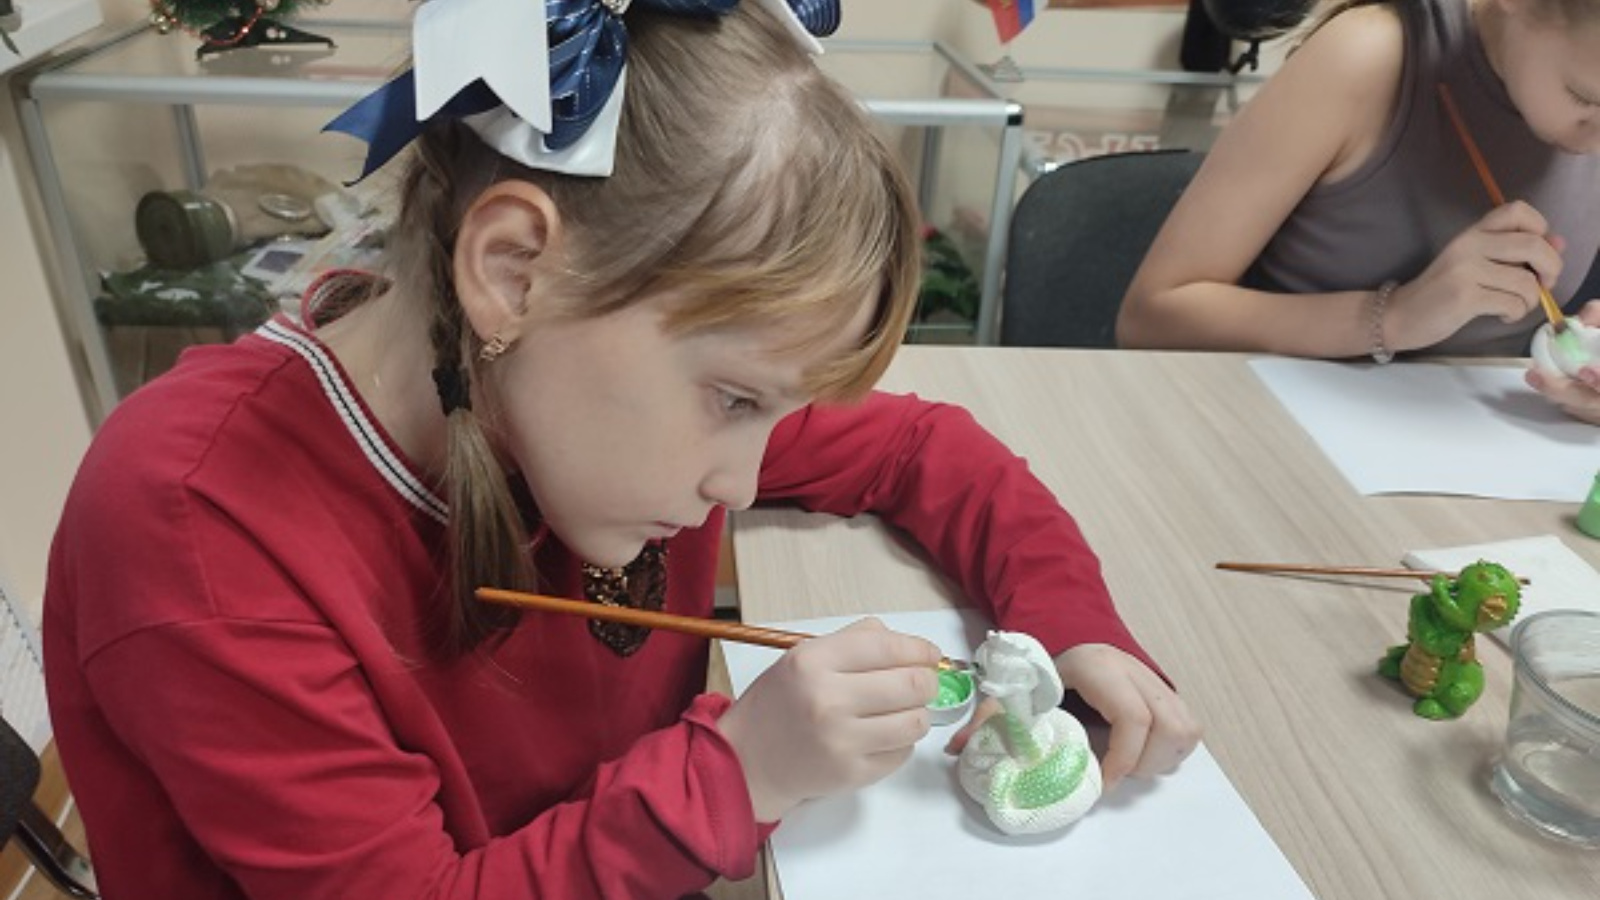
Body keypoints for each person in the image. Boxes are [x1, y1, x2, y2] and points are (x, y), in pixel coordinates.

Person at [43, 3, 1198, 898]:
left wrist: (1074, 624)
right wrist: (740, 774)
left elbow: (921, 447)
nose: (738, 483)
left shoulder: (571, 376)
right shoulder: (193, 525)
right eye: (735, 401)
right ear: (513, 274)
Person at [1117, 0, 1600, 422]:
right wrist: (1397, 315)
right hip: (1265, 431)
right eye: (1584, 98)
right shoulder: (1363, 59)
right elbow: (1151, 316)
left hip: (1480, 451)